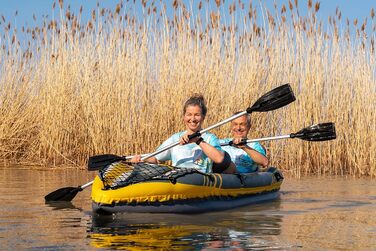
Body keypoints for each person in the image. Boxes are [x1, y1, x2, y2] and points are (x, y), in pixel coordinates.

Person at [131, 94, 233, 173]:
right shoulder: (175, 138)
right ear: (184, 117)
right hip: (178, 179)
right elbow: (157, 159)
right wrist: (143, 159)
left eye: (197, 115)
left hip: (201, 182)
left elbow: (219, 159)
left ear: (203, 117)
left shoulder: (210, 138)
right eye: (189, 114)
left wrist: (198, 141)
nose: (192, 119)